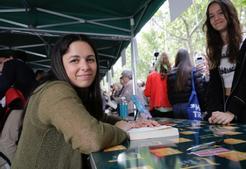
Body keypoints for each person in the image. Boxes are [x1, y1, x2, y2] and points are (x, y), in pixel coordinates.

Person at [11, 34, 158, 169]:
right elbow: (91, 138)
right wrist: (122, 129)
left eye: (90, 59)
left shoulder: (72, 91)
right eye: (74, 60)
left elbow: (99, 118)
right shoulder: (55, 90)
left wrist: (131, 124)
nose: (85, 67)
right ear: (60, 64)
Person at [167, 49, 208, 119]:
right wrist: (203, 107)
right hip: (192, 106)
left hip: (176, 108)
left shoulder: (170, 74)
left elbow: (169, 94)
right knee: (194, 129)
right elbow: (200, 91)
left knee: (180, 128)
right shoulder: (194, 71)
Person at [144, 52, 173, 118]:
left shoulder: (151, 75)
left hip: (156, 108)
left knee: (158, 128)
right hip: (171, 108)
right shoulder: (172, 74)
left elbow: (147, 93)